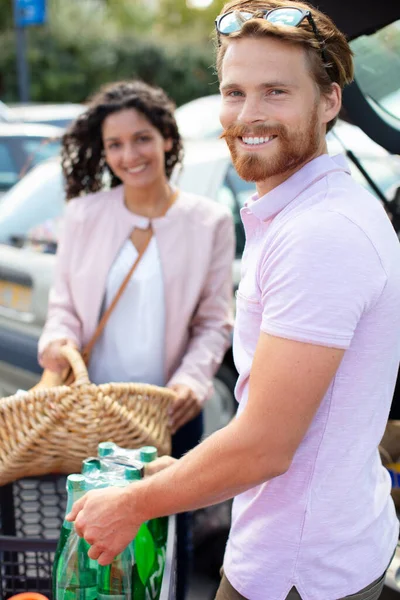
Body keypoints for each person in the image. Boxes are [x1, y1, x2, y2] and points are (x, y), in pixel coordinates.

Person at [66, 3, 400, 599]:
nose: (249, 115)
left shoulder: (321, 233)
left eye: (276, 92)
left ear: (329, 101)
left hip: (295, 572)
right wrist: (181, 476)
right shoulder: (313, 212)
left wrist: (134, 505)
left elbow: (266, 446)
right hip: (325, 546)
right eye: (234, 92)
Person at [37, 79, 235, 600]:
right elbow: (64, 310)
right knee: (92, 548)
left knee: (167, 543)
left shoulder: (208, 220)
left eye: (141, 138)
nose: (130, 154)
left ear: (167, 138)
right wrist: (58, 346)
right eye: (115, 145)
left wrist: (193, 381)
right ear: (104, 153)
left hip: (169, 413)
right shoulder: (84, 215)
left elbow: (215, 319)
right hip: (94, 413)